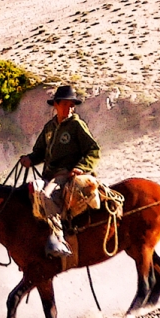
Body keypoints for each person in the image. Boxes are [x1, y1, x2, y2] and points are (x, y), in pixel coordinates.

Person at [19, 85, 100, 258]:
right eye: (65, 104)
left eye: (72, 105)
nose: (69, 108)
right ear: (56, 104)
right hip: (49, 175)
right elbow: (39, 152)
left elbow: (93, 150)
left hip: (65, 174)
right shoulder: (50, 127)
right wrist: (30, 159)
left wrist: (80, 167)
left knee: (46, 196)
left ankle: (59, 238)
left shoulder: (76, 125)